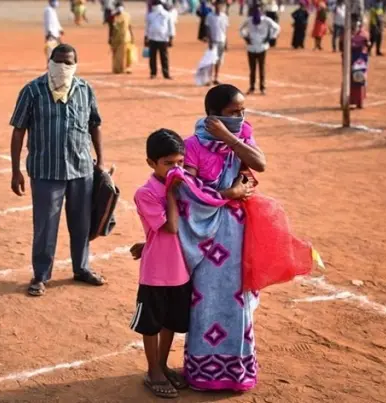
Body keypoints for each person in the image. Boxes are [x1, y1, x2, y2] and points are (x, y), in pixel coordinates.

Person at [178, 91, 266, 393]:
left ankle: (236, 371)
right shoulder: (191, 146)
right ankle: (203, 372)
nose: (240, 118)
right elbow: (187, 192)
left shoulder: (241, 137)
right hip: (205, 235)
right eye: (233, 112)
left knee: (237, 301)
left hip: (237, 235)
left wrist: (230, 138)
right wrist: (227, 195)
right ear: (213, 114)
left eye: (243, 111)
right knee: (206, 300)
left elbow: (259, 163)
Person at [9, 43, 107, 297]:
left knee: (82, 224)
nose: (63, 67)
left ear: (75, 65)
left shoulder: (85, 90)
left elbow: (94, 125)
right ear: (50, 61)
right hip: (45, 171)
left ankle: (82, 268)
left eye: (68, 63)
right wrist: (15, 170)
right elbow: (18, 130)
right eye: (59, 61)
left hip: (81, 169)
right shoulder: (32, 91)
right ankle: (41, 275)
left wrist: (101, 161)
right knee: (45, 225)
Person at [131, 128, 191, 399]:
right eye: (168, 163)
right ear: (151, 163)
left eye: (179, 162)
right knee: (151, 324)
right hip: (156, 273)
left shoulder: (183, 185)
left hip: (180, 270)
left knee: (170, 322)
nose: (176, 168)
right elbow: (171, 227)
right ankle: (152, 371)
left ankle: (163, 364)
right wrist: (170, 193)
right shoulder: (146, 192)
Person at [240, 3, 280, 95]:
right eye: (256, 10)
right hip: (251, 48)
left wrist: (270, 38)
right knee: (252, 69)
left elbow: (277, 28)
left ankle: (262, 87)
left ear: (262, 11)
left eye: (259, 9)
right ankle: (252, 87)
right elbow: (241, 29)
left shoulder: (266, 20)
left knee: (261, 68)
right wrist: (245, 38)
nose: (258, 11)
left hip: (262, 48)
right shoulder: (249, 20)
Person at [145, 0, 174, 80]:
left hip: (159, 38)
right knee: (160, 57)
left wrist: (146, 37)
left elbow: (170, 26)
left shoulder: (165, 14)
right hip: (158, 38)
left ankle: (159, 73)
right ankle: (160, 73)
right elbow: (147, 27)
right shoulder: (151, 15)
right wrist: (171, 37)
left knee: (157, 57)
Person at [347, 15, 370, 108]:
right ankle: (348, 100)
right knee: (349, 79)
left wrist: (365, 44)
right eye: (353, 26)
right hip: (349, 57)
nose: (354, 27)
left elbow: (367, 45)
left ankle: (359, 101)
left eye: (356, 25)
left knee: (359, 78)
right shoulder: (347, 33)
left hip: (360, 58)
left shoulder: (363, 34)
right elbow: (341, 45)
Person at [205, 0, 229, 85]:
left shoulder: (225, 17)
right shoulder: (210, 16)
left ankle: (216, 77)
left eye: (221, 5)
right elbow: (208, 29)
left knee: (219, 60)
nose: (219, 7)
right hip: (213, 41)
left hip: (221, 41)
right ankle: (209, 79)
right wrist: (210, 40)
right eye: (218, 5)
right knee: (211, 61)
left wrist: (226, 42)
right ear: (215, 5)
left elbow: (225, 30)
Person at [109, 2, 134, 74]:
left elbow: (129, 26)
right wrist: (110, 38)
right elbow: (111, 28)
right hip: (115, 38)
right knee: (116, 54)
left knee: (126, 54)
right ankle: (117, 68)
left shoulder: (127, 15)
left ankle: (127, 68)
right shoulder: (113, 17)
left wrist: (132, 36)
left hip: (125, 38)